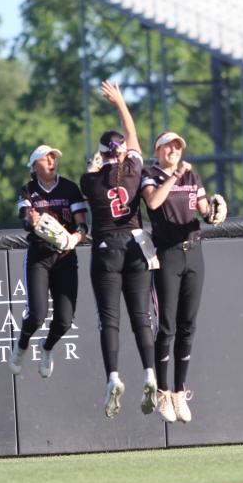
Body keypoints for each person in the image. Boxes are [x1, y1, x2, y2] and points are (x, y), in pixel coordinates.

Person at [81, 80, 159, 419]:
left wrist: (94, 166)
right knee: (141, 317)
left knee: (108, 320)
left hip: (105, 248)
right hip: (136, 246)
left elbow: (92, 175)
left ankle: (113, 377)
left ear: (102, 153)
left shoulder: (91, 181)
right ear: (123, 151)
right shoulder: (133, 170)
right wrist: (121, 103)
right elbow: (134, 137)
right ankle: (150, 374)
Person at [141, 131, 225, 423]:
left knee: (188, 324)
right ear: (159, 149)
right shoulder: (150, 174)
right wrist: (175, 176)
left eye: (178, 147)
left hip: (194, 251)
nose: (175, 151)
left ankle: (179, 390)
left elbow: (203, 212)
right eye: (170, 146)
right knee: (167, 326)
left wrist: (214, 212)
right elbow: (153, 203)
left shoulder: (192, 176)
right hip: (168, 254)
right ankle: (163, 391)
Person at [7, 144, 88, 378]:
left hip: (65, 257)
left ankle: (47, 346)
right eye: (46, 158)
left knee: (64, 320)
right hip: (39, 257)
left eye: (54, 157)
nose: (52, 161)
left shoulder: (69, 188)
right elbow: (25, 220)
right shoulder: (28, 190)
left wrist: (74, 238)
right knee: (37, 315)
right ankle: (22, 344)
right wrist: (31, 221)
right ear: (34, 166)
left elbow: (82, 224)